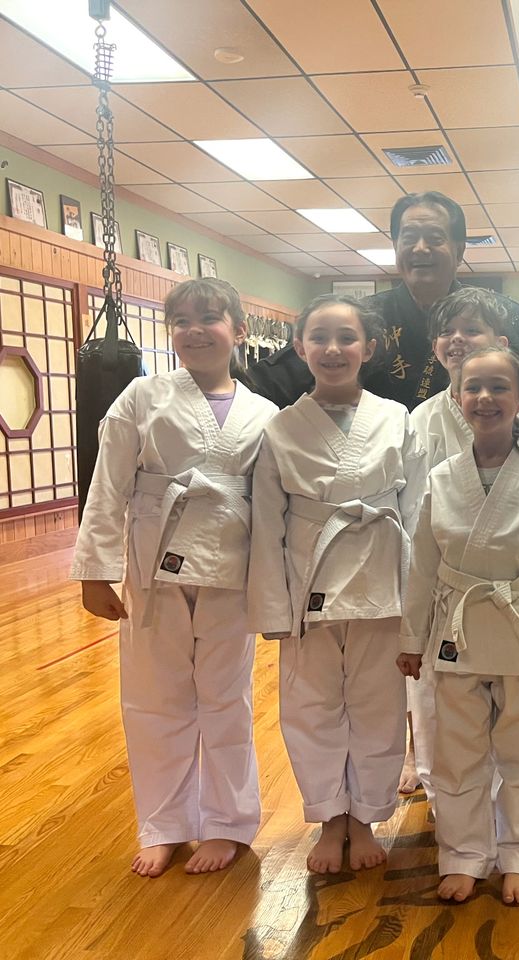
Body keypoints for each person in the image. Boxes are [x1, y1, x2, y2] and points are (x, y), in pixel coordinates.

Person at [70, 278, 277, 878]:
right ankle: (163, 823)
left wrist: (276, 588)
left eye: (209, 317)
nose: (193, 329)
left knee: (226, 699)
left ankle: (227, 822)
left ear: (239, 330)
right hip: (152, 557)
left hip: (231, 566)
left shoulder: (265, 414)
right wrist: (95, 571)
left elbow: (275, 504)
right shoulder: (141, 396)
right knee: (154, 696)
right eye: (180, 320)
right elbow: (108, 483)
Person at [398, 346, 519, 905]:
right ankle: (463, 854)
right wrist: (411, 640)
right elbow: (422, 565)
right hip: (455, 633)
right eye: (473, 388)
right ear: (457, 400)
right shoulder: (441, 477)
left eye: (498, 387)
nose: (485, 398)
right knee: (457, 753)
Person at [248, 294, 426, 875]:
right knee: (311, 704)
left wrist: (418, 606)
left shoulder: (397, 418)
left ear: (368, 348)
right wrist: (273, 605)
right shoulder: (280, 427)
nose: (332, 349)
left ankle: (366, 816)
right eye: (318, 337)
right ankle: (330, 817)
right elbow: (266, 523)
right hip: (308, 582)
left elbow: (419, 512)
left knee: (378, 704)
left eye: (346, 337)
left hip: (381, 578)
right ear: (299, 347)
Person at [403, 286, 519, 809]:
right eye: (448, 330)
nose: (458, 339)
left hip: (510, 582)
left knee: (514, 705)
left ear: (502, 341)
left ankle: (506, 799)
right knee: (436, 695)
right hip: (445, 581)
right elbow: (413, 512)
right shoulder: (420, 420)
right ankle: (441, 791)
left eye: (472, 328)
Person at [245, 191, 519, 412]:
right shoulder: (362, 320)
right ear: (396, 246)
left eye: (435, 238)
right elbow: (265, 385)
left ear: (459, 250)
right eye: (409, 238)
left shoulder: (505, 317)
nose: (420, 249)